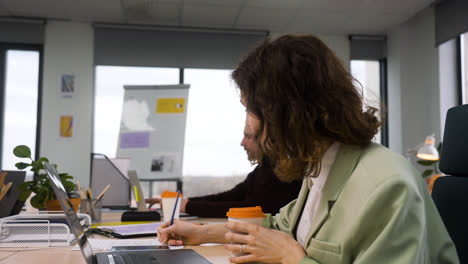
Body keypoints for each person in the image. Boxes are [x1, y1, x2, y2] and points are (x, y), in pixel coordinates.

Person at [157, 34, 459, 264]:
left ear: (285, 113)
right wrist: (201, 233)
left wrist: (292, 258)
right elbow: (278, 226)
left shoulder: (388, 187)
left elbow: (286, 245)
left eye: (249, 109)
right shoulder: (321, 165)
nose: (247, 127)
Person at [145, 116, 302, 217]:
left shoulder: (280, 172)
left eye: (248, 137)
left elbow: (249, 208)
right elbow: (230, 196)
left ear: (266, 139)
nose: (242, 143)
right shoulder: (264, 168)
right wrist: (182, 202)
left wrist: (187, 206)